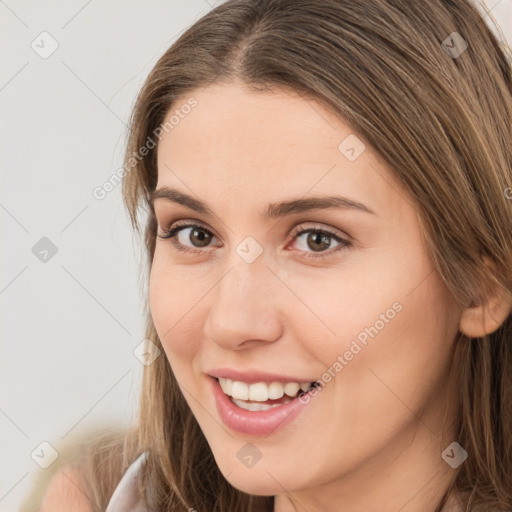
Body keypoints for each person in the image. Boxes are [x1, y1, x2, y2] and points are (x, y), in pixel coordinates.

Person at [39, 0, 512, 510]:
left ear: (482, 286)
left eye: (317, 240)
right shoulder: (95, 495)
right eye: (195, 234)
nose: (231, 322)